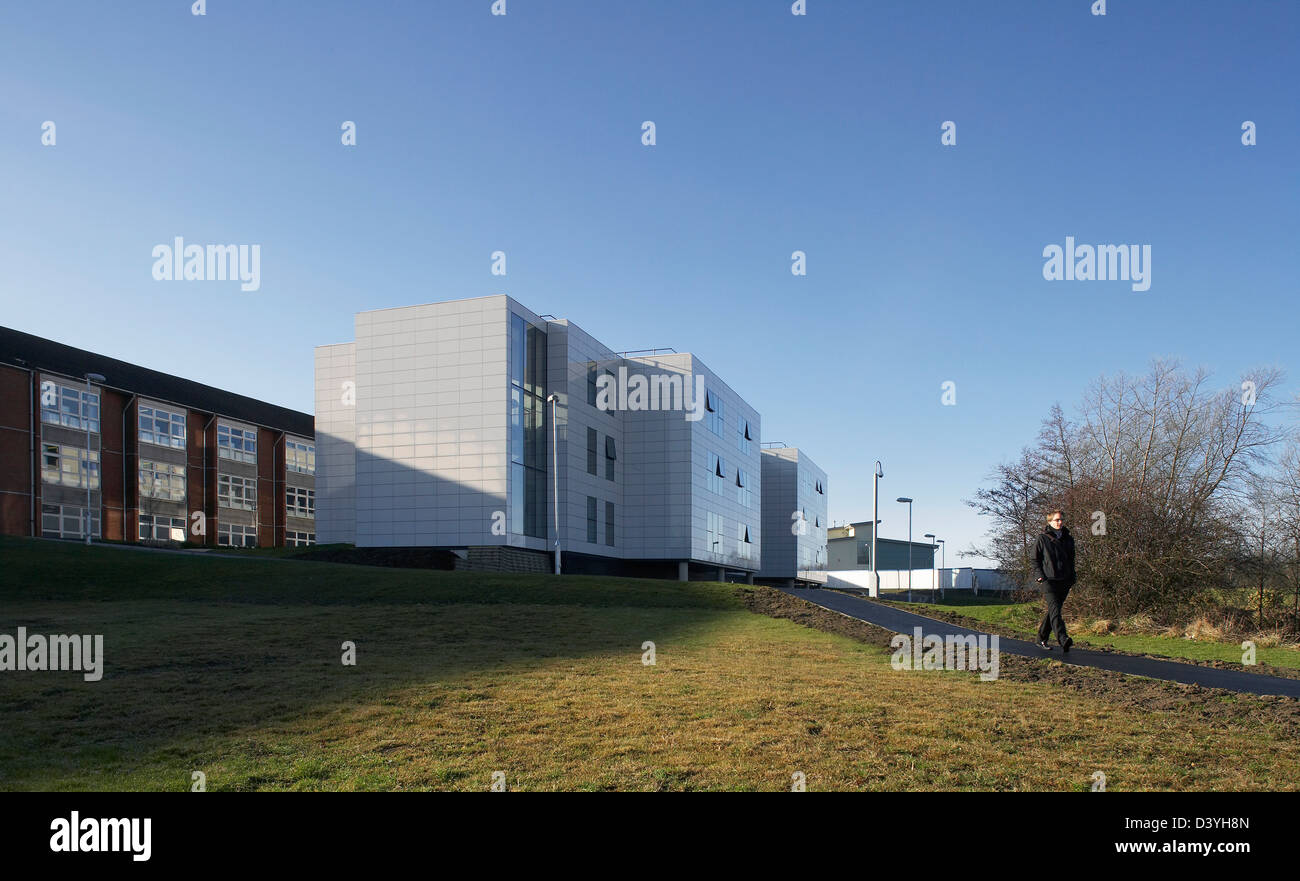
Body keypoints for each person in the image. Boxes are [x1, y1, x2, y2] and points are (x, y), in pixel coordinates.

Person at [1032, 509, 1076, 652]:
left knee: (1053, 611)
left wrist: (1072, 576)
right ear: (1050, 521)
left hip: (1064, 580)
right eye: (1057, 520)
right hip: (1048, 580)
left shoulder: (1068, 538)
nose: (1060, 522)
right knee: (1055, 610)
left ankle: (1041, 638)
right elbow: (1034, 559)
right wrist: (1040, 576)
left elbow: (1071, 560)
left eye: (1061, 519)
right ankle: (1063, 639)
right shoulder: (1042, 538)